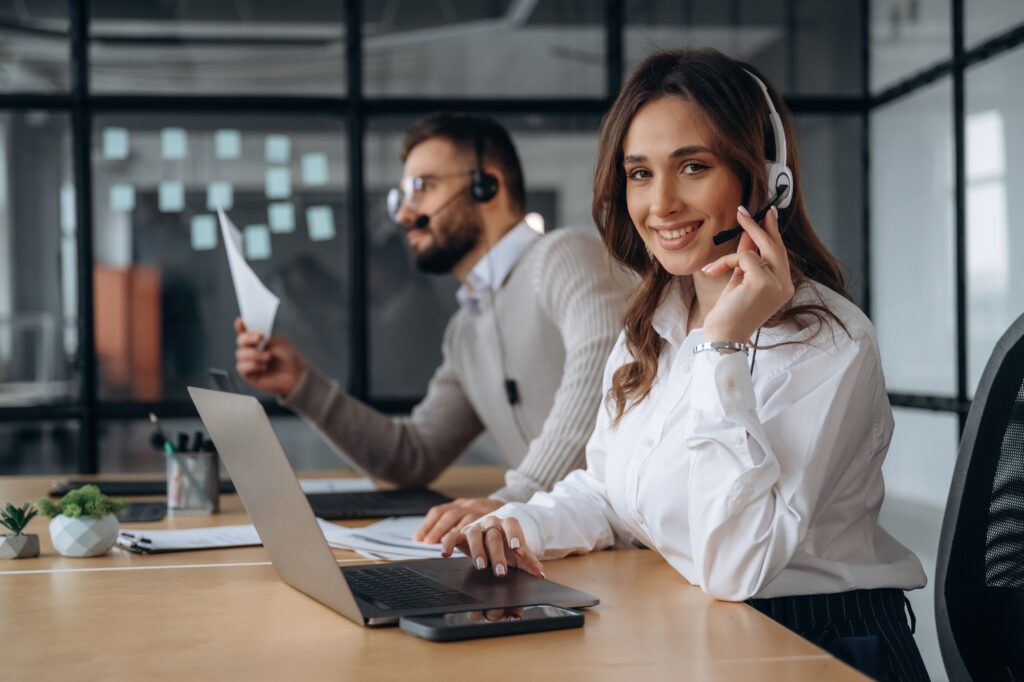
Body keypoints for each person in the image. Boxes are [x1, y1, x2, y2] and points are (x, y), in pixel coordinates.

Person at [442, 49, 930, 681]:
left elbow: (735, 567)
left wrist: (723, 344)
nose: (661, 203)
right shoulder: (652, 326)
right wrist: (519, 525)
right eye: (640, 174)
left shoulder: (828, 343)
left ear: (768, 179)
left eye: (693, 166)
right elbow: (610, 492)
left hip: (820, 646)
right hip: (705, 635)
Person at [235, 113, 626, 544]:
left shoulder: (561, 255)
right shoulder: (466, 329)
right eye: (402, 196)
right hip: (573, 542)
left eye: (423, 187)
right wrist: (301, 385)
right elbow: (413, 454)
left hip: (632, 542)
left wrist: (516, 498)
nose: (405, 214)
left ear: (486, 185)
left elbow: (606, 371)